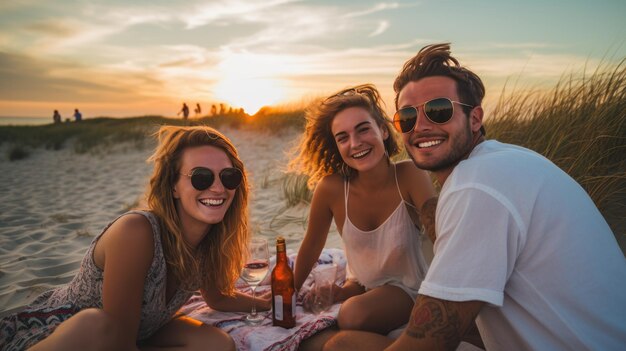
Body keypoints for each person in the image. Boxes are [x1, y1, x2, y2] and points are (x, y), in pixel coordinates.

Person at [324, 43, 626, 350]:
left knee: (341, 345)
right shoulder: (503, 160)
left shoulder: (476, 186)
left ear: (475, 118)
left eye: (438, 110)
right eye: (407, 118)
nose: (422, 126)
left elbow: (429, 342)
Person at [0, 125, 269, 350]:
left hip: (138, 333)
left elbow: (217, 299)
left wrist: (270, 303)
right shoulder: (136, 231)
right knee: (95, 323)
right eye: (201, 177)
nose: (218, 187)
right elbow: (118, 339)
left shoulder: (208, 242)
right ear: (173, 186)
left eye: (229, 176)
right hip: (65, 333)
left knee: (216, 344)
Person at [289, 84, 437, 340]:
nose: (355, 143)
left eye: (363, 129)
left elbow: (442, 234)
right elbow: (312, 245)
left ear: (383, 130)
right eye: (343, 137)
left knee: (351, 315)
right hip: (362, 283)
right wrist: (287, 292)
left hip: (411, 287)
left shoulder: (410, 175)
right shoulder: (332, 189)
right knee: (337, 305)